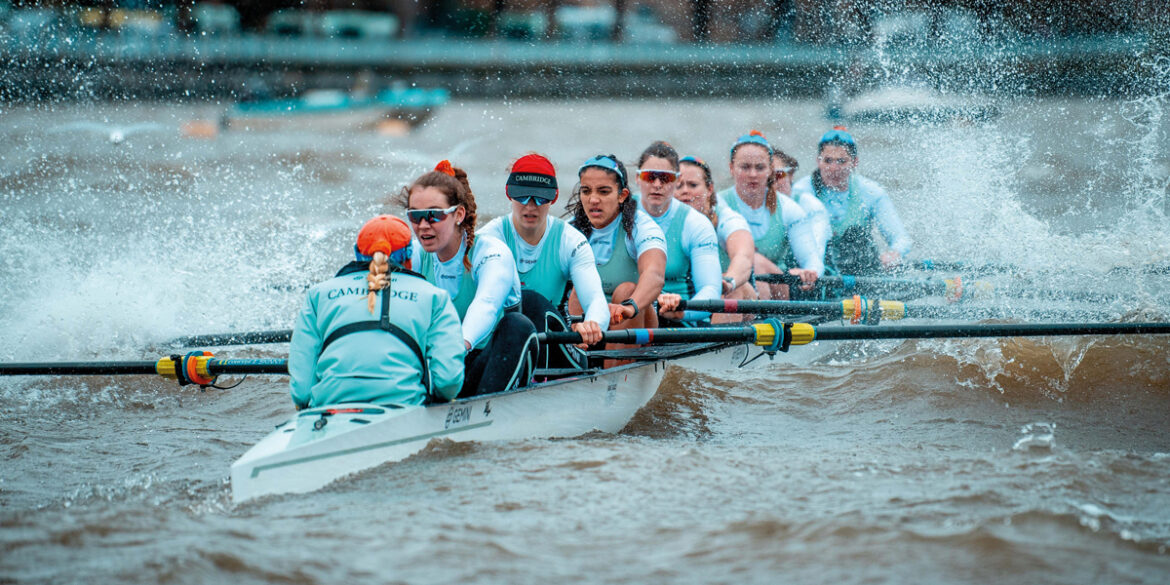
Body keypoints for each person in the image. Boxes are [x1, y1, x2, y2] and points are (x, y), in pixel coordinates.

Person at [289, 215, 465, 410]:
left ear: (357, 253)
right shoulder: (435, 297)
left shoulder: (318, 294)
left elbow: (302, 391)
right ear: (408, 256)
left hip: (328, 407)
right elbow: (448, 382)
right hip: (405, 407)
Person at [402, 160, 537, 396]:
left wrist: (456, 349)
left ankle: (488, 416)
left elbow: (486, 304)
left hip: (489, 365)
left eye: (434, 215)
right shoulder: (413, 255)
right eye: (415, 216)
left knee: (517, 326)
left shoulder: (491, 253)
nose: (423, 225)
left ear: (458, 214)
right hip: (443, 367)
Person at [480, 153, 608, 368]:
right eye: (522, 196)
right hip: (501, 343)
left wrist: (593, 324)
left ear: (554, 197)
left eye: (540, 197)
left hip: (556, 347)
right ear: (509, 194)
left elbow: (595, 299)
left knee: (529, 301)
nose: (530, 206)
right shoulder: (489, 238)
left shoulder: (570, 241)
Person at [716, 130, 824, 300]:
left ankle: (763, 321)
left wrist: (810, 273)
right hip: (728, 288)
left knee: (756, 262)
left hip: (777, 291)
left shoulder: (789, 209)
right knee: (753, 261)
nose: (753, 174)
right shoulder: (718, 204)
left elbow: (812, 258)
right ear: (731, 168)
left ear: (770, 171)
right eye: (745, 167)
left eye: (760, 167)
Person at [791, 127, 912, 275]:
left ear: (855, 162)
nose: (834, 169)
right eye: (828, 161)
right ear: (818, 161)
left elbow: (901, 238)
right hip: (814, 268)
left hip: (857, 266)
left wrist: (894, 254)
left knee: (855, 236)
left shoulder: (871, 192)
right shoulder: (800, 191)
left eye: (841, 161)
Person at [565, 154, 666, 330]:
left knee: (626, 290)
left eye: (603, 192)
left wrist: (629, 307)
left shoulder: (642, 227)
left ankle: (617, 357)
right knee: (578, 292)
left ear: (622, 195)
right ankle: (580, 353)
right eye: (586, 191)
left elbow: (655, 275)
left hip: (634, 316)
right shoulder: (569, 231)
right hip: (587, 322)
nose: (593, 200)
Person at [633, 141, 723, 324]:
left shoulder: (695, 224)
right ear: (637, 178)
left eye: (665, 178)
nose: (657, 184)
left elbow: (711, 290)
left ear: (677, 180)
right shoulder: (618, 213)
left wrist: (682, 311)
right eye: (650, 177)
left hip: (676, 322)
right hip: (629, 312)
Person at [674, 155, 758, 322]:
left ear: (709, 189)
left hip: (724, 296)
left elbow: (744, 256)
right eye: (678, 186)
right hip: (684, 300)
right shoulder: (661, 218)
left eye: (693, 185)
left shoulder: (726, 218)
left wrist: (728, 281)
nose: (685, 191)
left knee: (734, 290)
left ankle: (718, 347)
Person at [772, 148, 831, 264]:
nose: (772, 182)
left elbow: (815, 256)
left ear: (790, 175)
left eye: (778, 174)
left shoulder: (811, 207)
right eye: (766, 176)